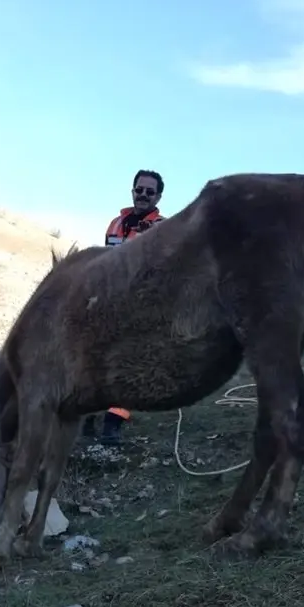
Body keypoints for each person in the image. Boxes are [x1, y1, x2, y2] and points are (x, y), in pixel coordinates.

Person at [83, 169, 167, 445]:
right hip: (108, 301)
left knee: (127, 364)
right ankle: (87, 415)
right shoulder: (115, 223)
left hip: (140, 306)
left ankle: (113, 424)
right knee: (95, 359)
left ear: (158, 197)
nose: (143, 194)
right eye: (139, 189)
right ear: (132, 191)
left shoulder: (164, 228)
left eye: (149, 191)